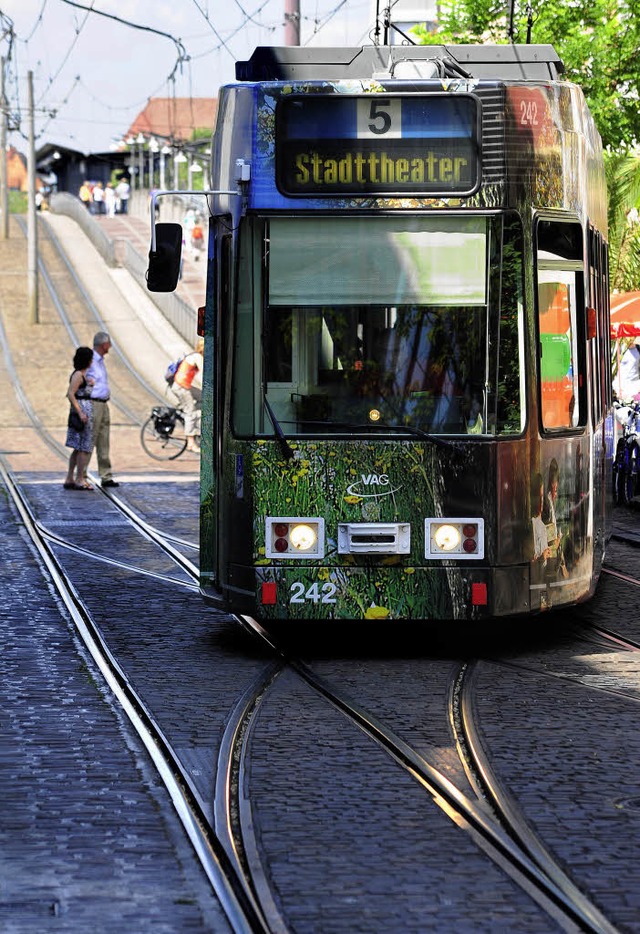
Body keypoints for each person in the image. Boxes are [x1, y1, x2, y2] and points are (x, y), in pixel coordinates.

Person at [86, 331, 120, 487]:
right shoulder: (91, 360)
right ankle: (82, 474)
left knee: (103, 440)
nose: (111, 346)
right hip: (93, 404)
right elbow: (81, 376)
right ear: (103, 344)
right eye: (109, 343)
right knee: (89, 438)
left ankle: (106, 475)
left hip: (103, 404)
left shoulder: (100, 361)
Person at [63, 347, 95, 490]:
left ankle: (70, 478)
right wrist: (81, 412)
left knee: (78, 447)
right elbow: (70, 394)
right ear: (86, 360)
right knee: (83, 447)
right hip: (82, 415)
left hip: (84, 413)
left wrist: (90, 385)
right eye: (91, 358)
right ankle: (79, 478)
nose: (92, 361)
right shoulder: (78, 375)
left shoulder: (82, 375)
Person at [172, 337, 203, 453]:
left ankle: (198, 417)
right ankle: (191, 443)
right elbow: (205, 373)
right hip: (181, 387)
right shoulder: (197, 357)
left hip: (184, 385)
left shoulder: (194, 355)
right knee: (190, 412)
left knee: (203, 397)